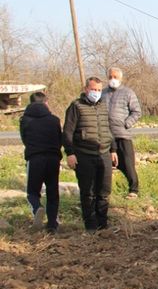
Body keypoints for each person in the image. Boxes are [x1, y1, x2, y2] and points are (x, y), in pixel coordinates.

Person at [63, 77, 118, 233]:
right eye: (93, 89)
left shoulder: (103, 106)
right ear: (86, 89)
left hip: (104, 154)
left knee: (104, 191)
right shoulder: (76, 107)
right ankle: (91, 226)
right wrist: (70, 153)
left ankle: (103, 223)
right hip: (84, 154)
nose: (96, 93)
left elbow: (109, 129)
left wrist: (113, 149)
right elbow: (67, 132)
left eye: (99, 90)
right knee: (89, 192)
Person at [20, 91, 62, 233]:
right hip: (53, 158)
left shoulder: (24, 119)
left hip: (35, 158)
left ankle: (37, 208)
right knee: (52, 191)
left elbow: (24, 139)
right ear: (46, 103)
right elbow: (59, 138)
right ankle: (52, 224)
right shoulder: (54, 120)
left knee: (32, 191)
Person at [102, 67, 142, 198]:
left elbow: (136, 111)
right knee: (105, 164)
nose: (112, 79)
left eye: (115, 77)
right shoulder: (102, 93)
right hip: (105, 135)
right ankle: (105, 191)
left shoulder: (128, 92)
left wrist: (126, 123)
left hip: (122, 134)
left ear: (120, 78)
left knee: (128, 163)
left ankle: (133, 189)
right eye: (110, 77)